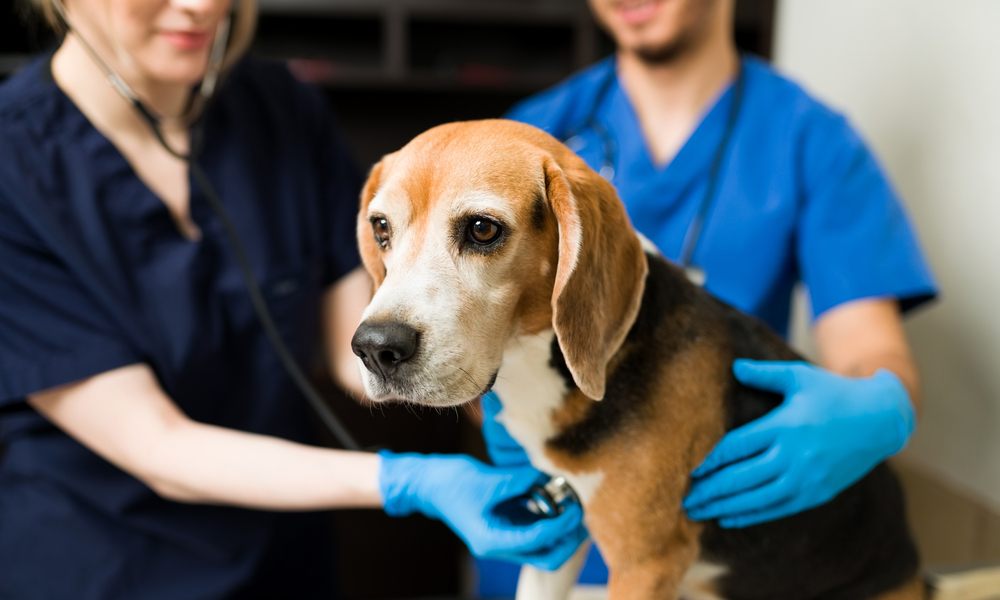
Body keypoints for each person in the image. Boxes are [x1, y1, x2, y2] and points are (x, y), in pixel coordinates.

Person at [0, 1, 587, 598]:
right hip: (102, 568)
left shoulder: (277, 107)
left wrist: (525, 394)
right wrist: (408, 480)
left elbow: (353, 349)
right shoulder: (12, 166)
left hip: (284, 561)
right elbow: (157, 444)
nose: (203, 6)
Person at [478, 0, 937, 591]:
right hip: (549, 537)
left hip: (720, 538)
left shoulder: (810, 140)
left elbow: (867, 348)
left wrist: (878, 407)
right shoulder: (523, 145)